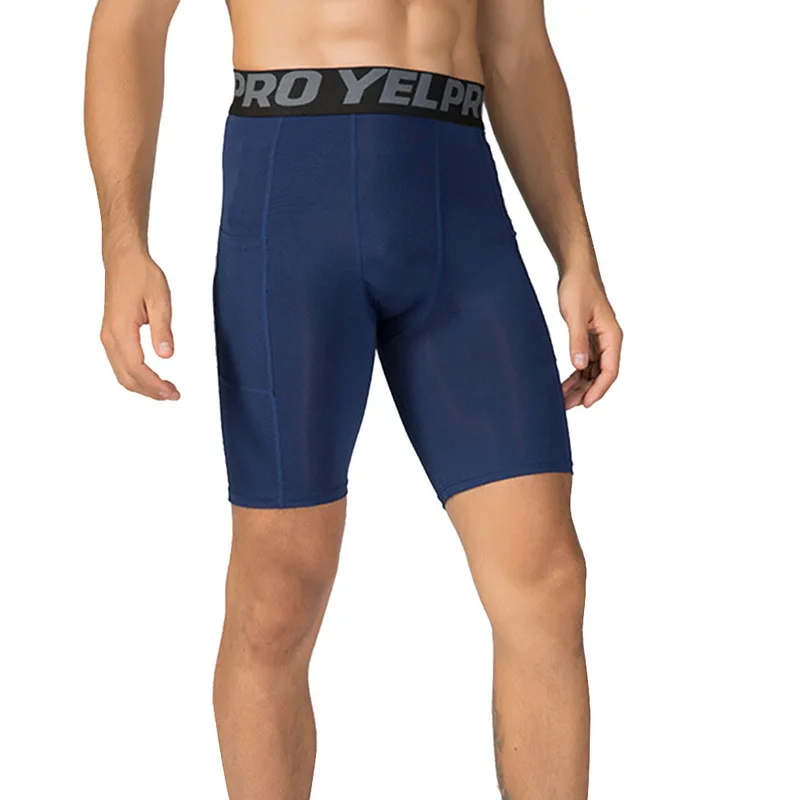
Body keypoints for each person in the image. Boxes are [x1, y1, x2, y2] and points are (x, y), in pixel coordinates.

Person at [85, 0, 622, 796]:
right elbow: (127, 22)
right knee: (277, 594)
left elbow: (517, 45)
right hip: (292, 198)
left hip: (459, 207)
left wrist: (577, 254)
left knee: (547, 582)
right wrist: (123, 246)